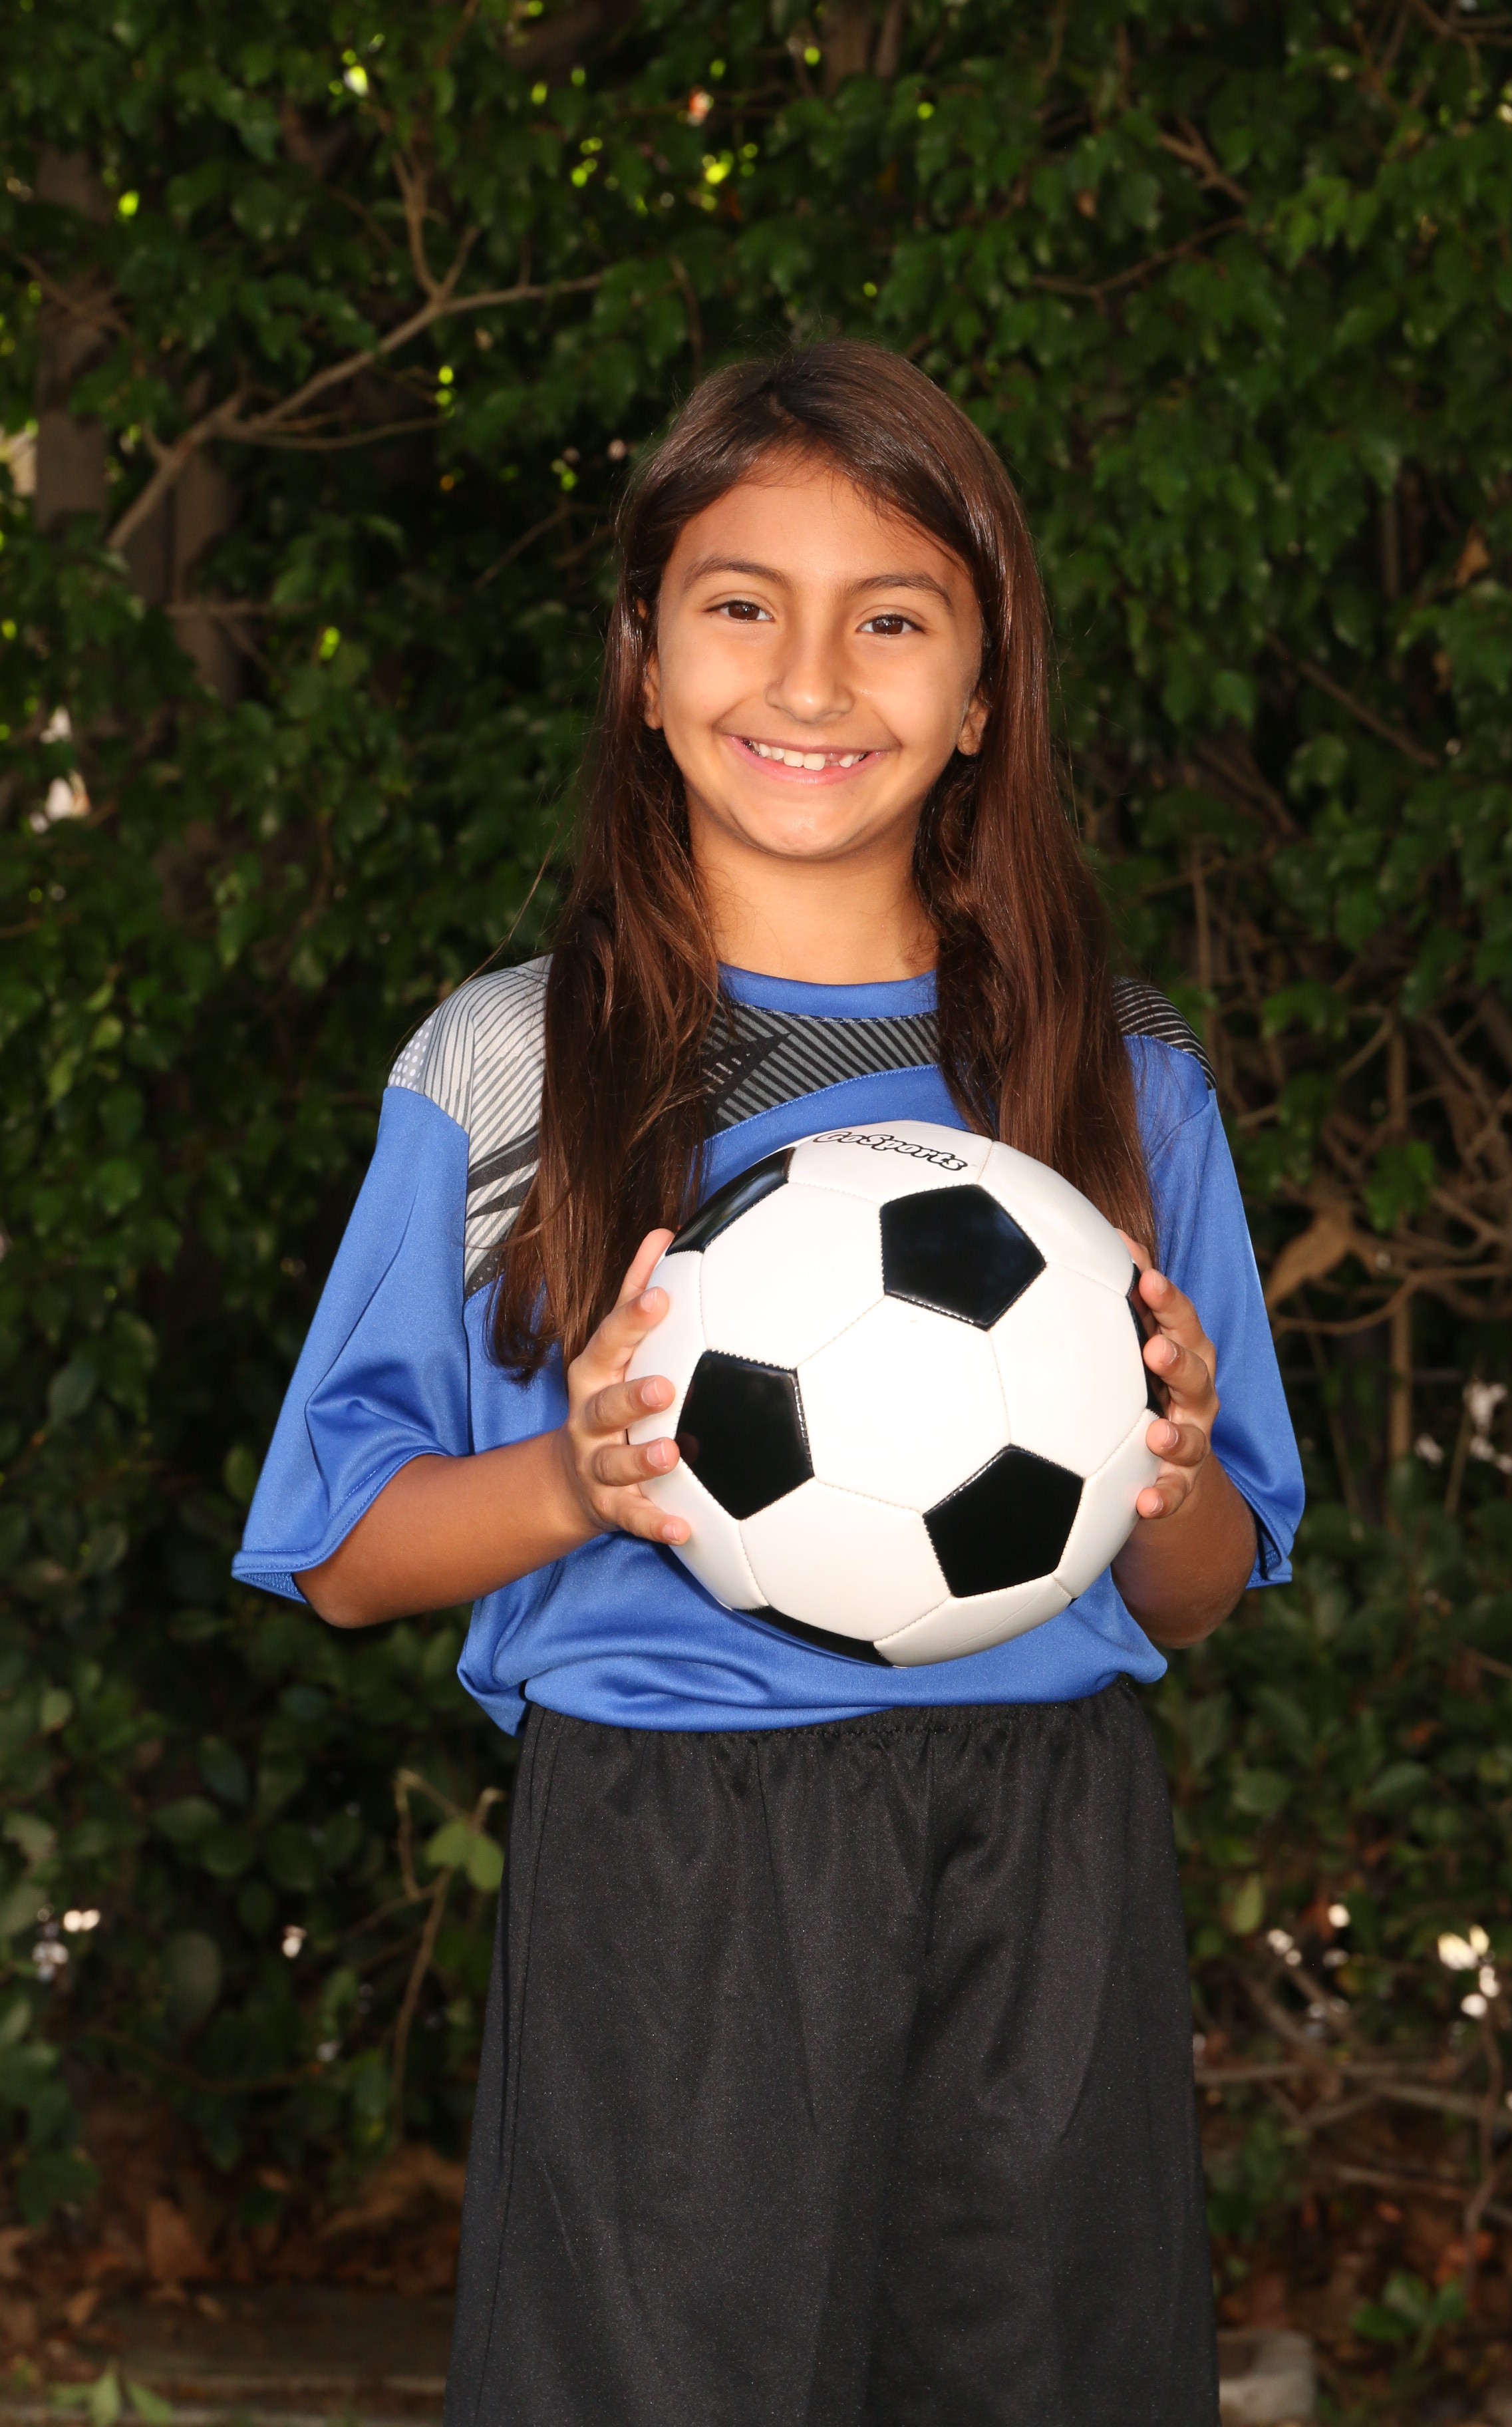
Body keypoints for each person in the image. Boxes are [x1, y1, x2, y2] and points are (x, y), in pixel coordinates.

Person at [235, 341, 1303, 2427]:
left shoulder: (1115, 1073)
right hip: (675, 1856)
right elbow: (343, 1556)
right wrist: (579, 1477)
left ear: (984, 692)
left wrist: (1164, 1475)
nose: (811, 680)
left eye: (892, 619)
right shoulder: (510, 1065)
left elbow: (1202, 1588)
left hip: (1047, 1841)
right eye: (742, 605)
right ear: (644, 664)